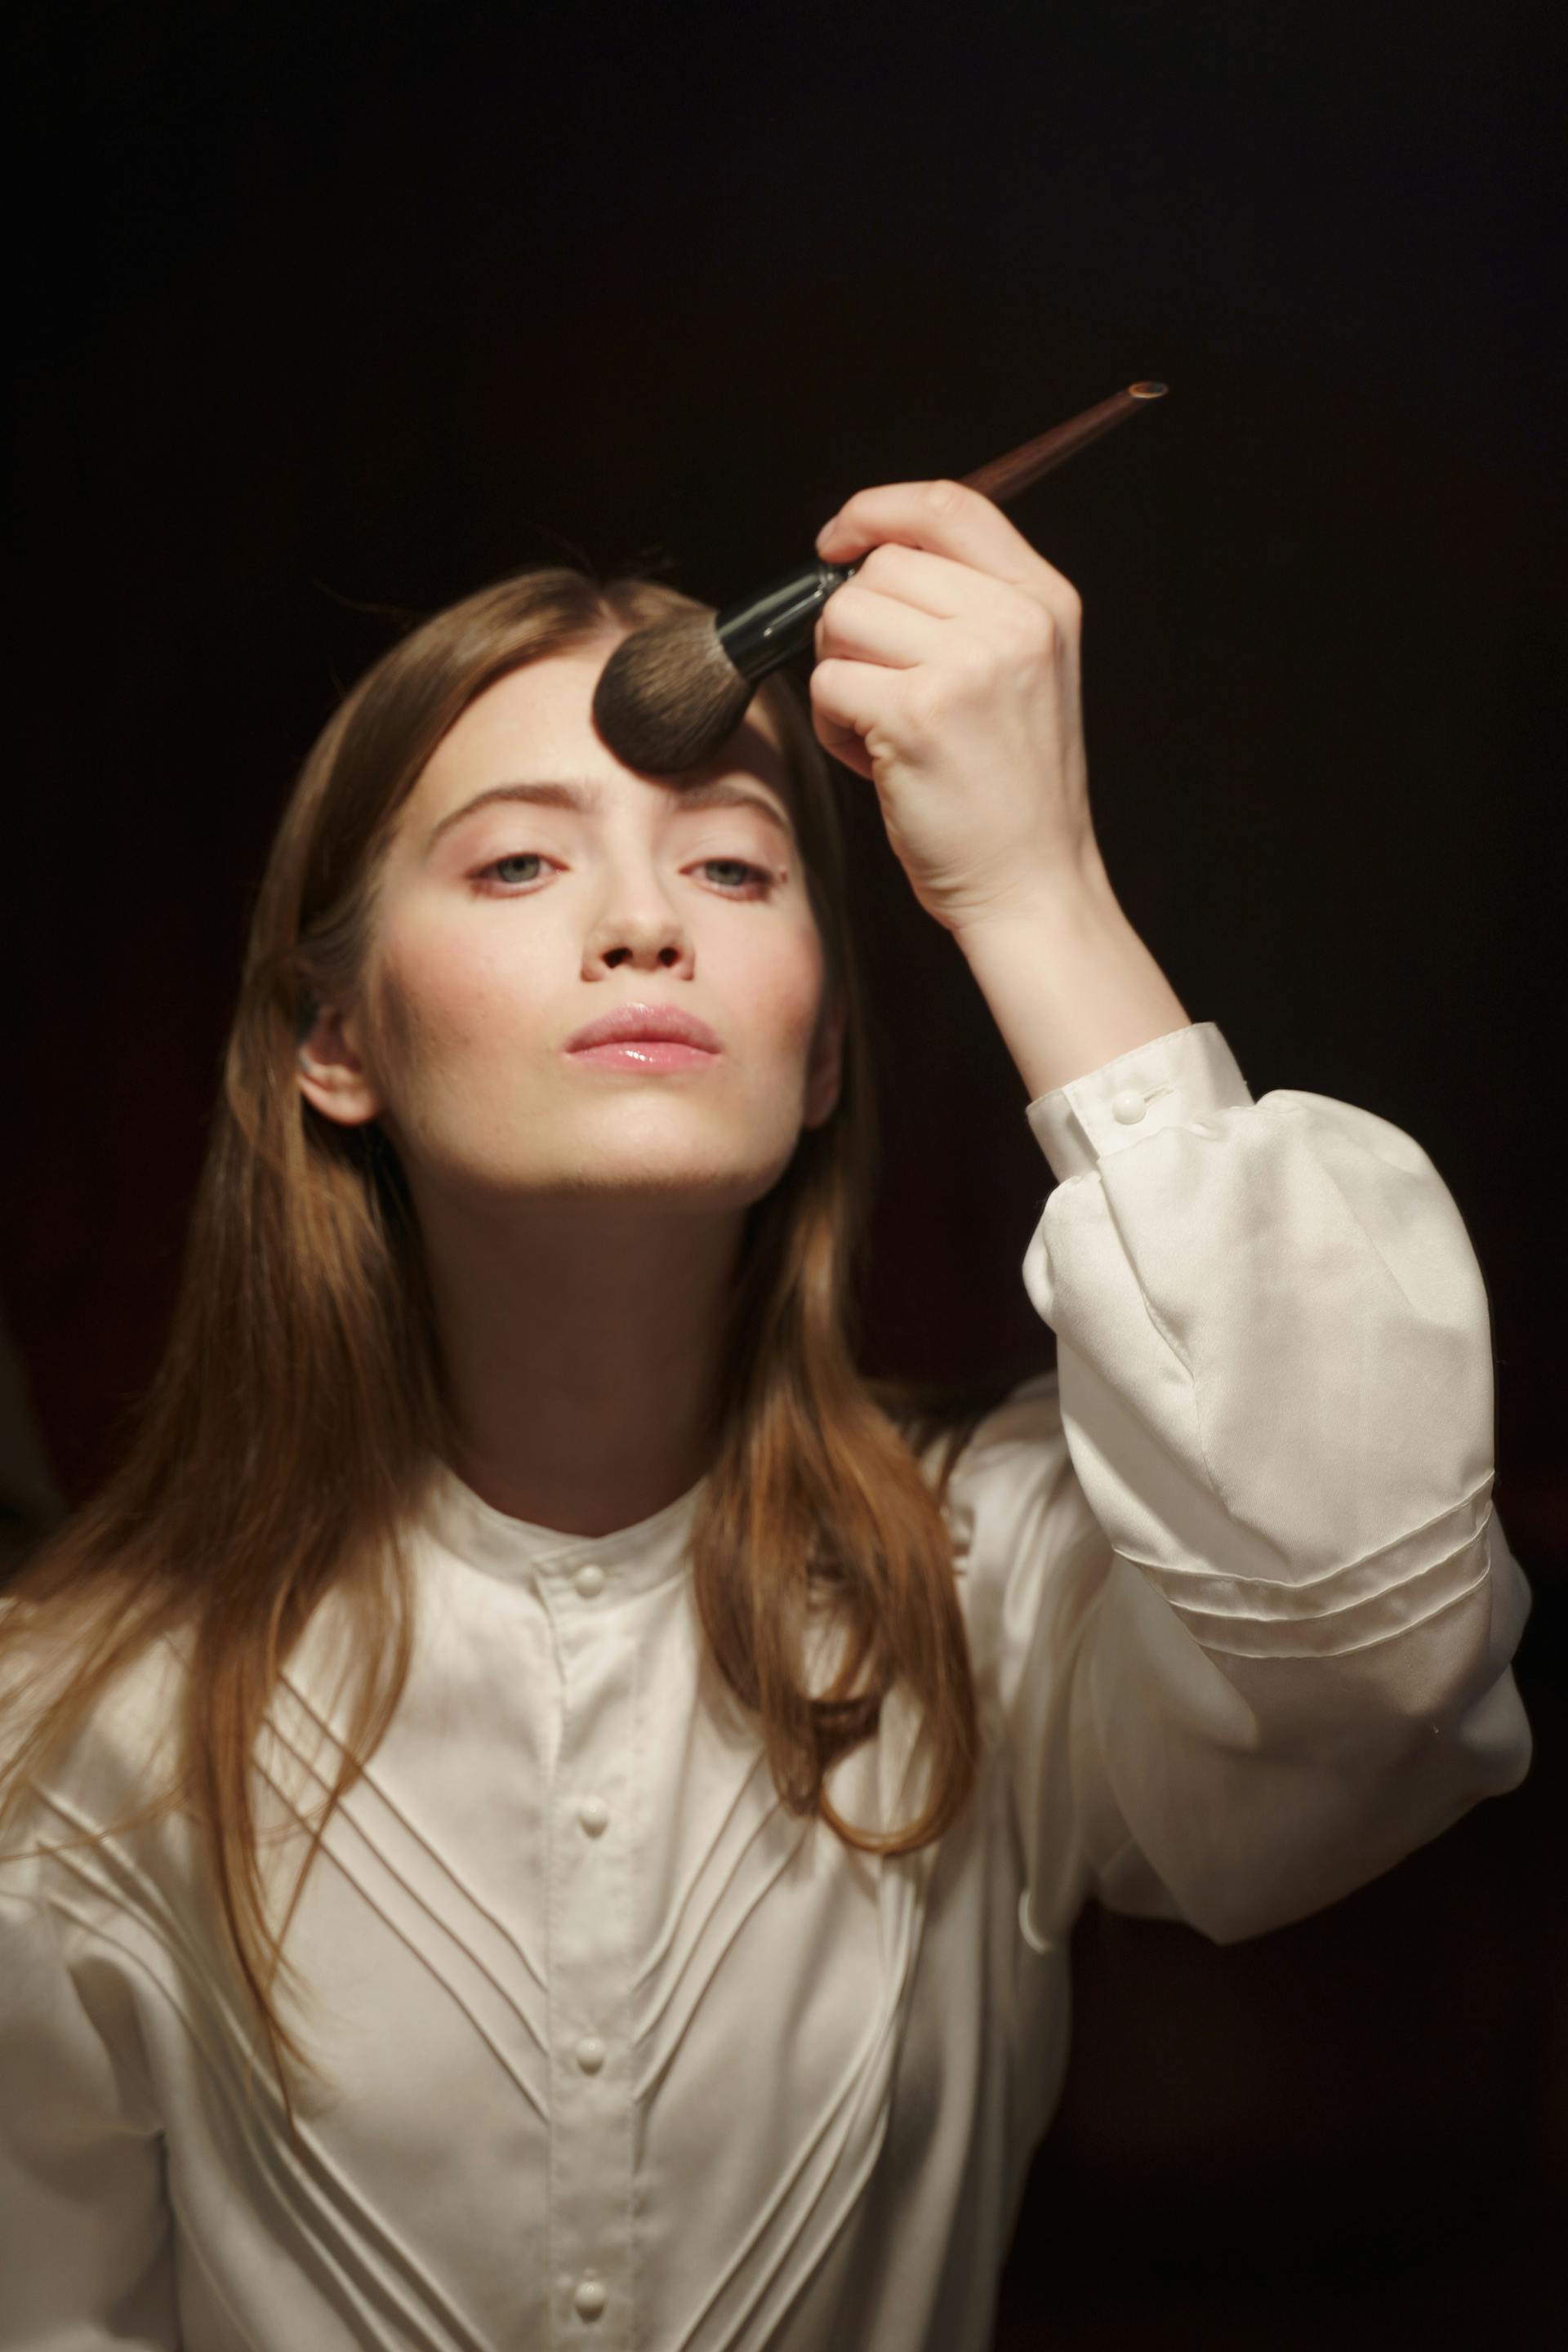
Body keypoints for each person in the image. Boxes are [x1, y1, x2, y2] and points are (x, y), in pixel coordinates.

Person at [0, 481, 1534, 2351]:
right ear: (336, 1040)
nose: (645, 922)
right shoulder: (70, 1726)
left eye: (732, 867)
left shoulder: (998, 1596)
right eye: (515, 866)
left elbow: (1375, 1655)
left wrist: (1037, 887)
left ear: (818, 1053)